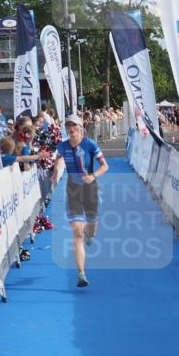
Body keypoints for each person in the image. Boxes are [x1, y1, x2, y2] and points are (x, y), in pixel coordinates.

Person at [51, 114, 108, 288]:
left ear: (80, 127)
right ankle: (81, 273)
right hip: (73, 190)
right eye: (68, 126)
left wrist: (93, 175)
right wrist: (56, 173)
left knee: (91, 228)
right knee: (77, 233)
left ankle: (90, 234)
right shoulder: (62, 146)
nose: (71, 129)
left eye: (74, 126)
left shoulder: (90, 144)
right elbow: (59, 160)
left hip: (90, 189)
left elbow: (105, 166)